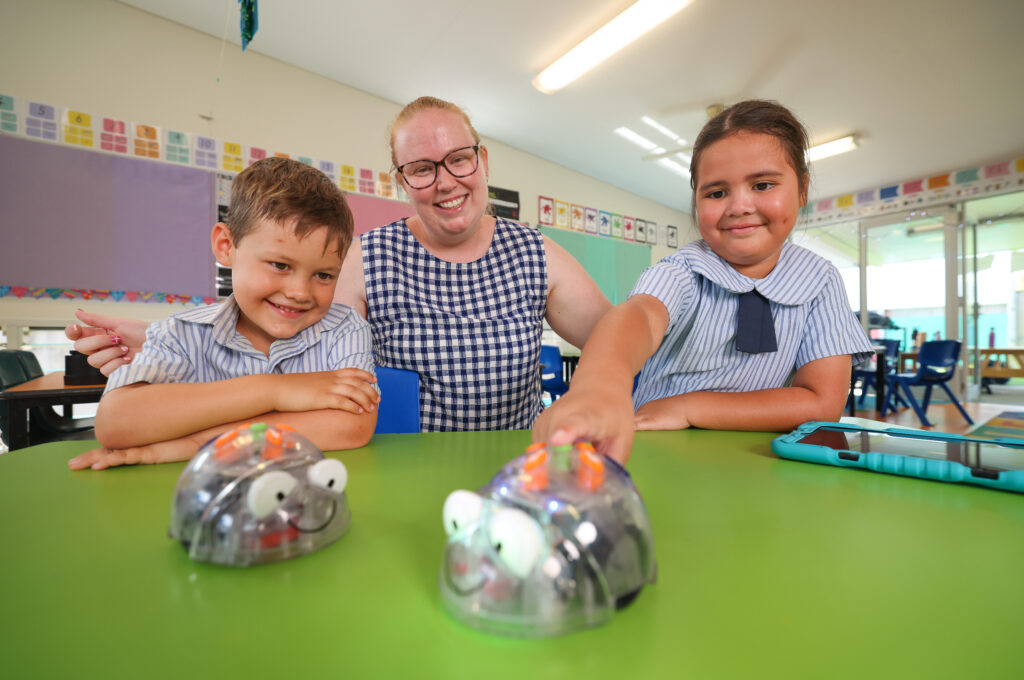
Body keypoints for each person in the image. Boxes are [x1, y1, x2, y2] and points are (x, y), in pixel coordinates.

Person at [68, 96, 611, 432]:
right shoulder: (366, 255)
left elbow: (615, 336)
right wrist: (175, 337)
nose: (445, 180)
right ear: (402, 181)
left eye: (459, 159)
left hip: (511, 457)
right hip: (395, 460)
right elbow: (290, 322)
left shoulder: (534, 251)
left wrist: (595, 388)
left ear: (482, 160)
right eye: (421, 168)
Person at [532, 100, 874, 463]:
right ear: (696, 200)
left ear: (802, 189)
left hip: (757, 462)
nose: (738, 206)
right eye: (716, 193)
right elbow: (640, 317)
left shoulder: (820, 281)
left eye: (762, 184)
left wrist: (689, 407)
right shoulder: (682, 271)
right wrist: (600, 383)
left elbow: (823, 403)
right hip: (655, 453)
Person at [68, 157, 380, 470]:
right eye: (280, 265)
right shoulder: (179, 333)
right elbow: (116, 424)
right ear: (226, 245)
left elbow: (351, 427)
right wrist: (273, 391)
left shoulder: (344, 328)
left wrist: (193, 444)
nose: (300, 292)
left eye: (324, 275)